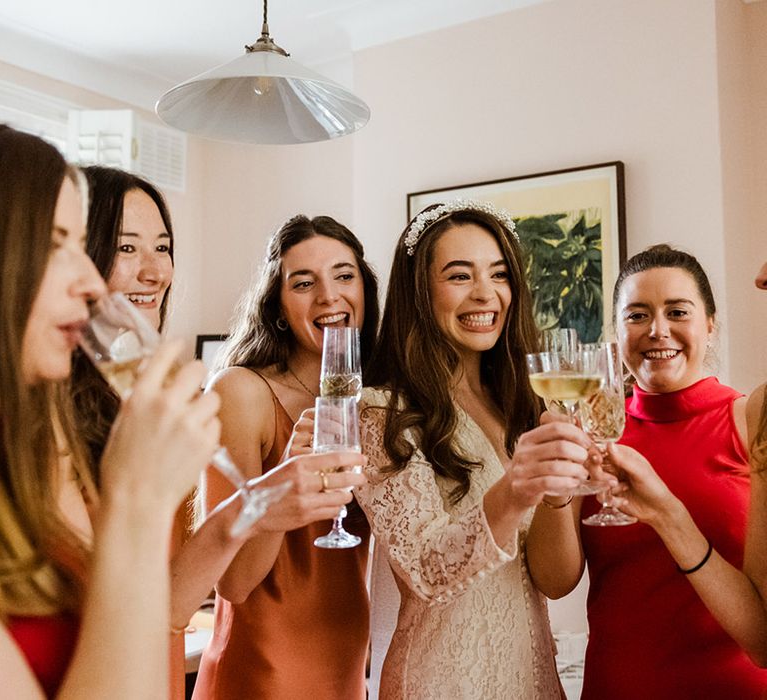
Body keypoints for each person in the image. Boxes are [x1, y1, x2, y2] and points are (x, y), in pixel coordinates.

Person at [71, 168, 366, 699]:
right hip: (244, 674)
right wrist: (265, 501)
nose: (153, 271)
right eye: (126, 247)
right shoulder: (231, 392)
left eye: (162, 247)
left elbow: (169, 607)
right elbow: (228, 584)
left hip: (159, 668)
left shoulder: (156, 403)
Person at [0, 126, 221, 696]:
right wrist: (139, 506)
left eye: (163, 247)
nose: (92, 282)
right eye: (54, 245)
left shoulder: (30, 443)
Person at [356, 200, 596, 699]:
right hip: (442, 681)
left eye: (500, 274)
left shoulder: (527, 403)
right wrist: (515, 486)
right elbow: (425, 570)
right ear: (420, 290)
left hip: (530, 679)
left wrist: (556, 496)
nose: (486, 294)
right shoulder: (384, 412)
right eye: (460, 276)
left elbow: (555, 581)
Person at [545, 244, 767, 698]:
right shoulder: (592, 431)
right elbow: (556, 581)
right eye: (637, 315)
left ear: (710, 324)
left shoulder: (752, 419)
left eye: (678, 312)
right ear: (616, 331)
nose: (658, 330)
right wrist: (556, 488)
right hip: (617, 686)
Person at [192, 214, 379, 700]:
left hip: (346, 665)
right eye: (303, 283)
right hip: (261, 672)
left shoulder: (377, 400)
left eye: (344, 275)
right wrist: (282, 481)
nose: (328, 297)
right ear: (277, 303)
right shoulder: (241, 392)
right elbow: (233, 583)